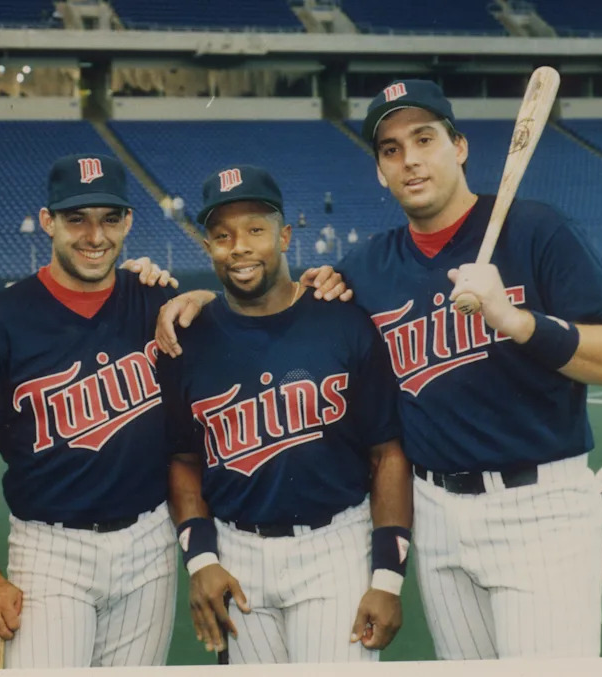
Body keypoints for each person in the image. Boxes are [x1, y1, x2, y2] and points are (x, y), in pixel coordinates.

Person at [155, 80, 602, 660]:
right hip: (436, 514)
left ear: (459, 147)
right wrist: (204, 302)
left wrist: (516, 320)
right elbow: (278, 301)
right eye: (391, 149)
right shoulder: (367, 267)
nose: (409, 159)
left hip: (538, 505)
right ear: (381, 172)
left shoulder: (535, 230)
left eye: (424, 139)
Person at [157, 165, 412, 664]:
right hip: (236, 550)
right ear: (207, 246)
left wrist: (387, 578)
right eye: (222, 236)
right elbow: (183, 460)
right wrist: (201, 559)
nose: (239, 247)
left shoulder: (343, 321)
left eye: (255, 229)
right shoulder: (188, 339)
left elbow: (387, 453)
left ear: (285, 235)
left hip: (332, 547)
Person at [0, 153, 185, 669]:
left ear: (128, 221)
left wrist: (203, 299)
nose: (94, 236)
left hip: (150, 542)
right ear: (48, 221)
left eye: (109, 218)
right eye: (77, 218)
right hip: (50, 550)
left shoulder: (154, 300)